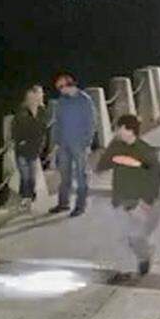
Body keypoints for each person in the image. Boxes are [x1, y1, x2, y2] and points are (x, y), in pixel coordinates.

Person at [96, 114, 160, 278]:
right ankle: (124, 269)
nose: (117, 132)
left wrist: (148, 200)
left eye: (119, 129)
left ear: (129, 130)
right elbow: (102, 165)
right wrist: (112, 152)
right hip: (119, 197)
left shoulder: (145, 151)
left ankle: (145, 255)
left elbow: (156, 176)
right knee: (121, 235)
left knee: (135, 237)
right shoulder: (117, 146)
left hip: (137, 200)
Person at [49, 71, 96, 217]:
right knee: (64, 175)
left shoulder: (84, 100)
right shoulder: (62, 101)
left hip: (79, 144)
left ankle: (80, 206)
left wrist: (87, 142)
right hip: (64, 143)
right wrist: (55, 142)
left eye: (62, 87)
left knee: (81, 175)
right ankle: (64, 203)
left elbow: (91, 122)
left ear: (69, 85)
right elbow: (58, 122)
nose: (60, 90)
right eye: (59, 88)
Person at [12, 84, 50, 210]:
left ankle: (29, 195)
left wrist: (41, 146)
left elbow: (42, 129)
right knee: (25, 175)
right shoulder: (22, 112)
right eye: (39, 93)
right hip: (22, 148)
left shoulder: (41, 112)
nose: (42, 96)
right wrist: (20, 141)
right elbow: (17, 128)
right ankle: (25, 198)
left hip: (33, 149)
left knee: (31, 176)